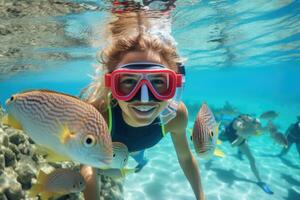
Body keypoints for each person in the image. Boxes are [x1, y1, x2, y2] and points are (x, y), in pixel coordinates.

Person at [79, 8, 205, 200]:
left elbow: (186, 158)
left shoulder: (175, 115)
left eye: (158, 82)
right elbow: (88, 166)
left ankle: (140, 159)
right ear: (111, 84)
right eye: (129, 82)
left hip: (135, 145)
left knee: (137, 154)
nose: (145, 98)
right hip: (112, 150)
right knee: (127, 156)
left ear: (176, 86)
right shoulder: (99, 114)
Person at [219, 114, 274, 195]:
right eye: (248, 118)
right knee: (250, 158)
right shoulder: (238, 123)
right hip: (235, 138)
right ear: (242, 119)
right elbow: (233, 144)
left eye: (250, 118)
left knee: (251, 157)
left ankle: (260, 181)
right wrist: (247, 132)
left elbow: (261, 129)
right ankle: (260, 181)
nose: (250, 119)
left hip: (238, 134)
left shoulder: (250, 121)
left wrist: (268, 127)